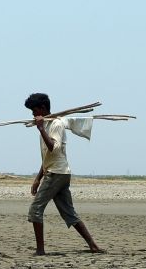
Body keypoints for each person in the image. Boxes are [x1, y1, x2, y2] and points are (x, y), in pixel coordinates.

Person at [24, 93, 103, 256]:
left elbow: (54, 147)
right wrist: (38, 178)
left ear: (43, 108)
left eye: (35, 110)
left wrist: (40, 128)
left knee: (35, 210)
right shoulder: (46, 125)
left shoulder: (56, 124)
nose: (33, 114)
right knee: (69, 213)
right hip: (57, 172)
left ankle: (40, 250)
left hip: (57, 174)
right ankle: (93, 245)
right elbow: (47, 156)